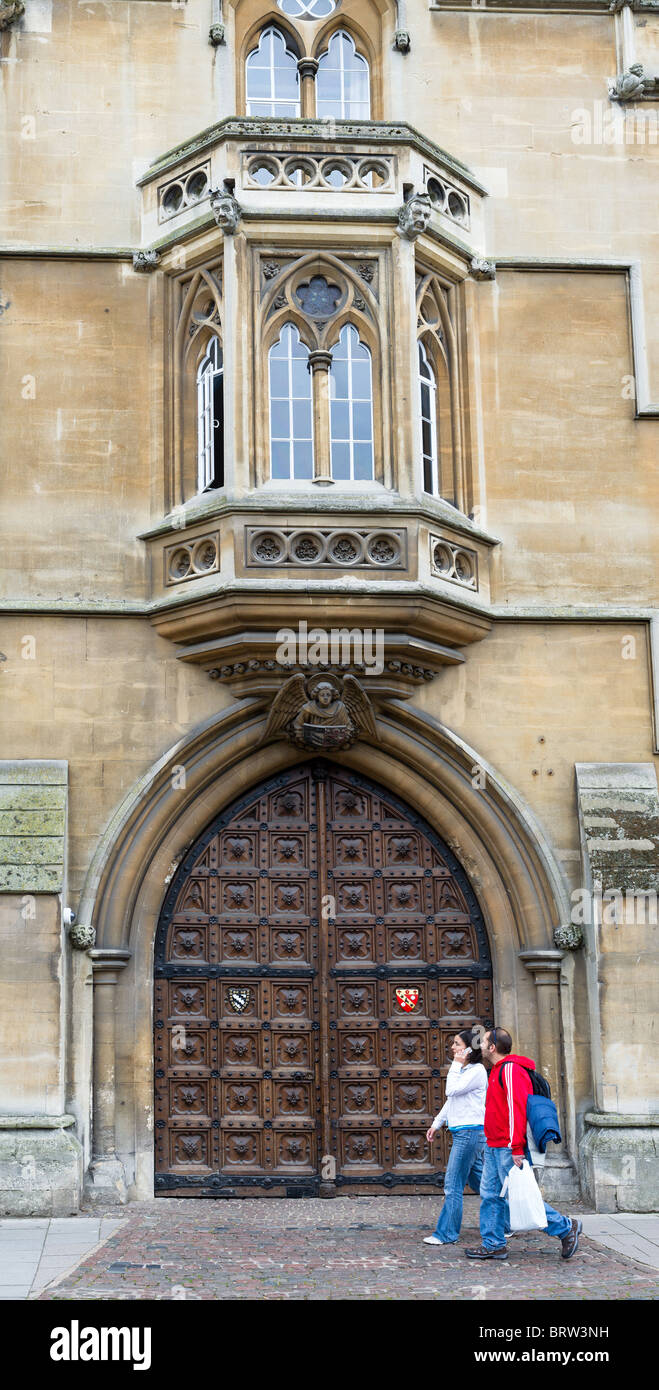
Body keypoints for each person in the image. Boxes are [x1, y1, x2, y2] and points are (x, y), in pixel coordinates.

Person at [464, 1027, 582, 1262]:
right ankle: (493, 1244)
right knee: (490, 1195)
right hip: (495, 1144)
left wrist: (516, 1148)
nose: (481, 1045)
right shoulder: (498, 1069)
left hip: (507, 1147)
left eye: (484, 1041)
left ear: (493, 1047)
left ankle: (565, 1227)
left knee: (516, 1197)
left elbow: (515, 1111)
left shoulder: (510, 1070)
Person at [423, 1029, 488, 1246]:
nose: (453, 1048)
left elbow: (451, 1090)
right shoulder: (465, 1069)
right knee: (481, 1183)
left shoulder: (476, 1071)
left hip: (469, 1133)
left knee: (452, 1184)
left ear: (469, 1048)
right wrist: (436, 1123)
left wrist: (454, 1065)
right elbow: (452, 1102)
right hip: (466, 1132)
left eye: (457, 1044)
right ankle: (507, 1222)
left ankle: (447, 1233)